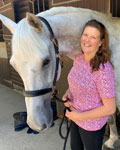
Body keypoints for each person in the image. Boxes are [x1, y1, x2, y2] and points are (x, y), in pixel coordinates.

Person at [62, 20, 116, 150]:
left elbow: (110, 108)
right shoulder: (78, 59)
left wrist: (79, 116)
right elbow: (75, 81)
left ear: (100, 43)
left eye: (93, 37)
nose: (87, 40)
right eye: (85, 35)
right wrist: (67, 94)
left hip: (92, 125)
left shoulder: (103, 69)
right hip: (75, 116)